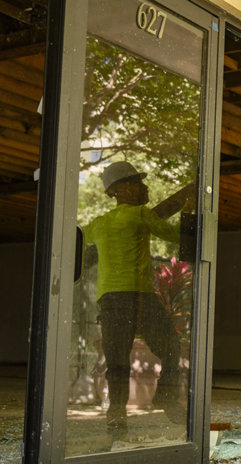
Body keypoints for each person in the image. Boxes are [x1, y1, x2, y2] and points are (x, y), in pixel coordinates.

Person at [82, 161, 186, 439]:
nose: (145, 187)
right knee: (171, 347)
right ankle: (165, 397)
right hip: (141, 298)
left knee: (117, 364)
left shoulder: (99, 224)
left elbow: (77, 238)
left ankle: (116, 420)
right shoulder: (141, 215)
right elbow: (175, 235)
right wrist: (195, 219)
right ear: (122, 190)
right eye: (139, 183)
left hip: (111, 301)